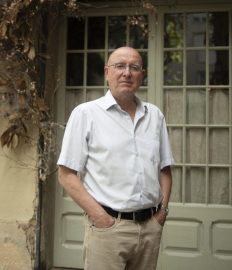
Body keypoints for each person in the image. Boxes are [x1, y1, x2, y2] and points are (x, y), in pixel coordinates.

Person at [57, 47, 175, 270]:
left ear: (142, 74)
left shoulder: (155, 116)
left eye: (134, 67)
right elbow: (66, 175)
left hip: (150, 228)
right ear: (107, 72)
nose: (127, 73)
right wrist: (100, 217)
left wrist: (162, 212)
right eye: (120, 66)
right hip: (108, 228)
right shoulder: (86, 114)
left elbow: (164, 169)